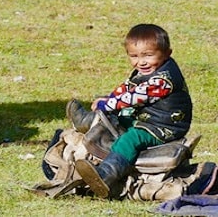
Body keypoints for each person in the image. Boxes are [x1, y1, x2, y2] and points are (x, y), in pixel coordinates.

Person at [67, 23, 192, 198]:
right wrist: (109, 99)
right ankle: (88, 121)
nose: (141, 61)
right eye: (134, 56)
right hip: (147, 117)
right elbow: (128, 88)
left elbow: (137, 96)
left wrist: (107, 105)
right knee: (118, 115)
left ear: (167, 53)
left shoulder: (164, 80)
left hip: (163, 126)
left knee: (131, 139)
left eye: (148, 55)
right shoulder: (147, 70)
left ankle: (107, 174)